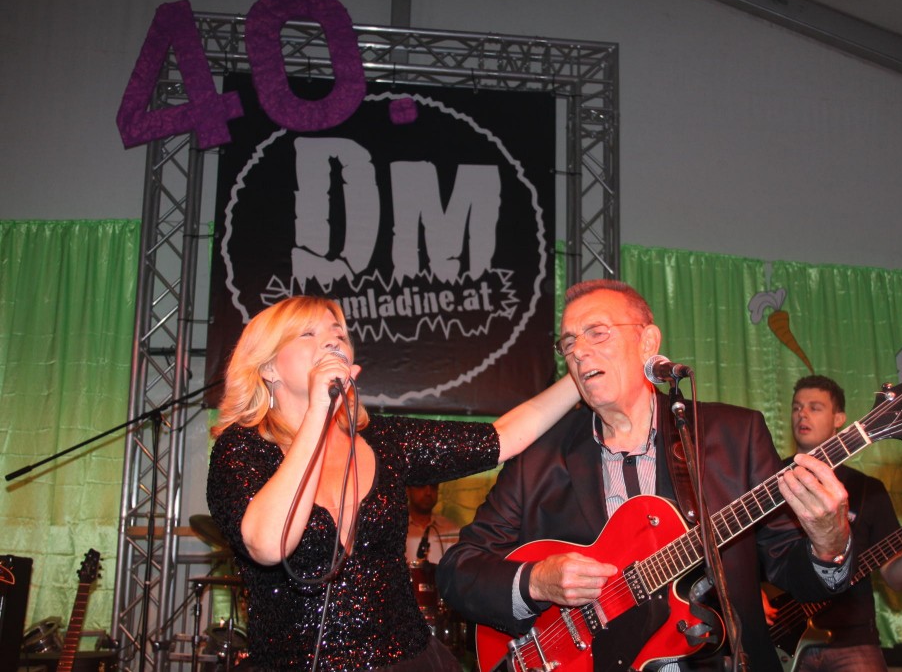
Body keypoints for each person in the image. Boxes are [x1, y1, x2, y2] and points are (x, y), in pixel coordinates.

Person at [438, 279, 855, 672]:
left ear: (648, 343)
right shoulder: (539, 459)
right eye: (568, 342)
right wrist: (535, 581)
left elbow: (796, 573)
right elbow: (459, 570)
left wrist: (830, 543)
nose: (578, 352)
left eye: (597, 333)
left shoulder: (735, 436)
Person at [206, 295, 580, 671]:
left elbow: (502, 437)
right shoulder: (241, 449)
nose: (333, 341)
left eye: (339, 334)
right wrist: (318, 413)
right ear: (269, 367)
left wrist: (580, 378)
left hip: (409, 660)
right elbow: (268, 545)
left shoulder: (384, 441)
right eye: (308, 334)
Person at [765, 375, 902, 671]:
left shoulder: (868, 489)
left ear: (839, 418)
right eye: (797, 407)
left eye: (815, 407)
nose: (802, 414)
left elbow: (895, 579)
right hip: (776, 636)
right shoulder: (769, 480)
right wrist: (750, 596)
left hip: (853, 641)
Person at [406, 483, 461, 565]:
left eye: (433, 486)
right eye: (421, 486)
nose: (428, 492)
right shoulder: (393, 528)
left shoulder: (451, 530)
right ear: (407, 490)